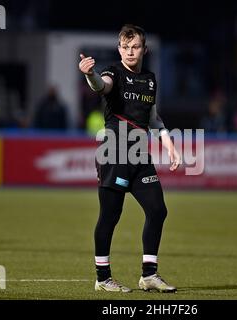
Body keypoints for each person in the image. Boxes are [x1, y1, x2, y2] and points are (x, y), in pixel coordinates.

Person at [79, 24, 181, 293]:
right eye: (125, 47)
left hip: (139, 154)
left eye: (135, 46)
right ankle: (102, 277)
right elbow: (102, 86)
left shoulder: (149, 78)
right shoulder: (114, 72)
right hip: (114, 151)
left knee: (158, 210)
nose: (130, 51)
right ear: (119, 49)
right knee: (111, 215)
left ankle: (149, 274)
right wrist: (91, 74)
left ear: (144, 49)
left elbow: (153, 119)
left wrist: (169, 145)